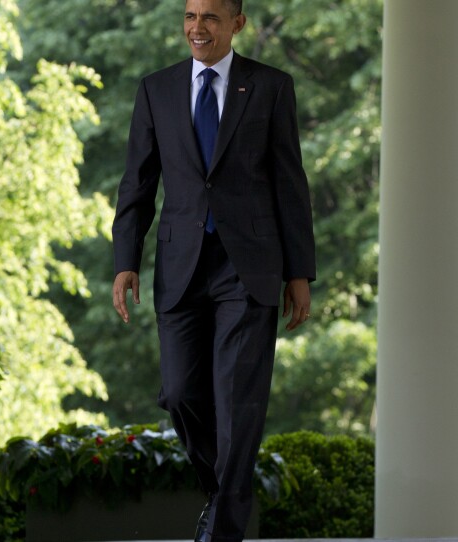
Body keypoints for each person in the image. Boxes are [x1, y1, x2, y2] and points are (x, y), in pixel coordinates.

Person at [110, 0, 316, 540]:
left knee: (238, 400)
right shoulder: (156, 89)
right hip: (180, 265)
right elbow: (137, 182)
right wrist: (125, 261)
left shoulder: (271, 87)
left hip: (249, 266)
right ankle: (222, 493)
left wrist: (300, 271)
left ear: (237, 24)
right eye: (190, 16)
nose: (197, 28)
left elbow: (290, 183)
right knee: (180, 393)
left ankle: (223, 528)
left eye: (210, 18)